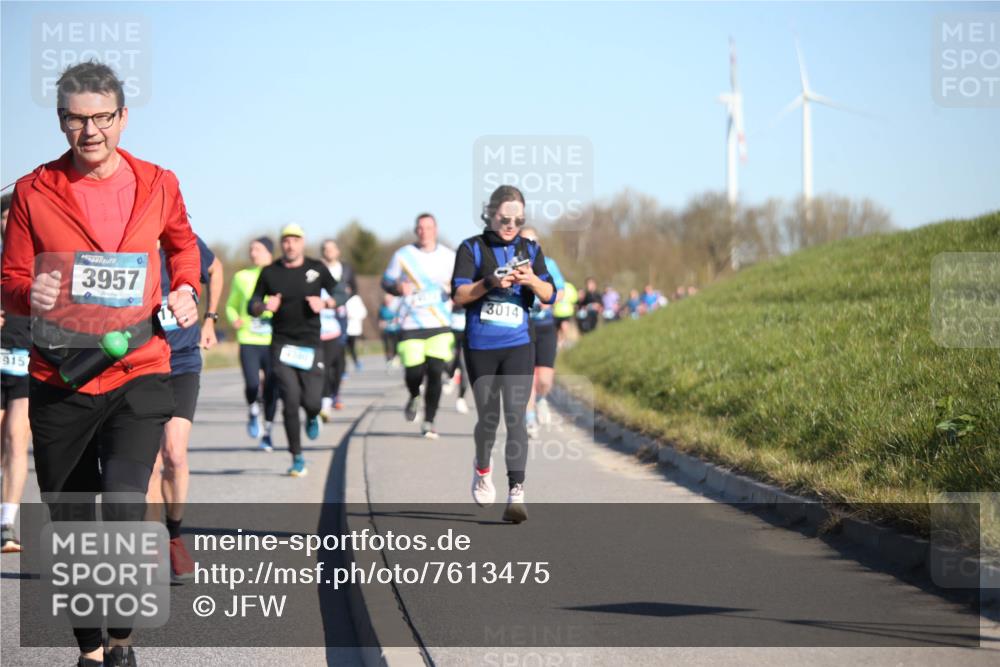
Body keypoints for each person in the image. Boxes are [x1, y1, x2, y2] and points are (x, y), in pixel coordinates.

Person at [0, 61, 201, 667]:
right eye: (76, 119)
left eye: (101, 118)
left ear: (122, 117)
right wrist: (22, 294)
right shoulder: (35, 190)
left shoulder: (159, 182)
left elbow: (183, 245)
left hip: (139, 366)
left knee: (120, 501)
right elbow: (10, 277)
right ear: (61, 121)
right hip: (59, 374)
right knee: (68, 519)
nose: (90, 131)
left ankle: (120, 640)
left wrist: (188, 287)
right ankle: (91, 645)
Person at [452, 186, 555, 523]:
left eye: (517, 219)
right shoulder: (472, 248)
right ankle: (482, 468)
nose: (511, 224)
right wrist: (490, 283)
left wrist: (531, 282)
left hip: (519, 344)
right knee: (489, 419)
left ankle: (517, 492)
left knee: (515, 416)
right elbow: (460, 295)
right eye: (504, 218)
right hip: (481, 345)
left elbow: (550, 293)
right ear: (490, 214)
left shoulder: (530, 248)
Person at [145, 234, 222, 582]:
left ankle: (174, 534)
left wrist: (210, 318)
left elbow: (216, 269)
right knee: (149, 459)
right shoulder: (126, 238)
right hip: (142, 362)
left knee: (174, 453)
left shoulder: (186, 240)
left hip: (182, 362)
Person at [249, 224, 338, 477]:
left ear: (302, 242)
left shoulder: (317, 268)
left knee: (311, 401)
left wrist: (327, 302)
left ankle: (312, 415)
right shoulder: (270, 272)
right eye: (286, 241)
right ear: (282, 244)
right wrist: (264, 305)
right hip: (281, 345)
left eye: (295, 240)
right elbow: (252, 304)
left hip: (311, 343)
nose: (290, 245)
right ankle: (297, 457)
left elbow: (342, 292)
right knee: (289, 400)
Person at [381, 213, 456, 439]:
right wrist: (397, 288)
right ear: (416, 231)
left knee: (435, 372)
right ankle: (414, 395)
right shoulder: (403, 255)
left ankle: (429, 421)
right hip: (411, 323)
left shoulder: (449, 256)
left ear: (436, 229)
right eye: (420, 228)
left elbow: (462, 281)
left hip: (440, 322)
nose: (424, 232)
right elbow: (386, 281)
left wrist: (455, 288)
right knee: (413, 372)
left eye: (428, 227)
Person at [225, 237, 279, 450]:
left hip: (272, 340)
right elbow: (231, 305)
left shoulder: (278, 275)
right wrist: (233, 318)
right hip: (248, 338)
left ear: (269, 252)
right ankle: (253, 409)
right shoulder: (241, 277)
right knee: (252, 384)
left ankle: (268, 432)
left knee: (272, 388)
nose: (252, 253)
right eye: (250, 249)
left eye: (257, 249)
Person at [1, 193, 31, 554]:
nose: (9, 223)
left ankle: (6, 524)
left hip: (27, 357)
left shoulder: (37, 261)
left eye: (14, 217)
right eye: (4, 217)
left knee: (15, 436)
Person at [519, 227, 565, 438]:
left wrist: (548, 302)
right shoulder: (512, 264)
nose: (529, 244)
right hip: (524, 326)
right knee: (527, 376)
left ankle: (541, 398)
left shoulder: (549, 263)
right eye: (525, 240)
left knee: (545, 379)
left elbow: (560, 290)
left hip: (546, 326)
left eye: (533, 240)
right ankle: (529, 418)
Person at [445, 304, 471, 414]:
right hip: (451, 330)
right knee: (449, 361)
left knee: (464, 365)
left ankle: (461, 398)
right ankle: (450, 375)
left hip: (467, 331)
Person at [377, 293, 401, 368]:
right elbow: (379, 319)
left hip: (396, 329)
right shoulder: (382, 308)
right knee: (387, 345)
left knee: (395, 345)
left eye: (389, 300)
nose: (387, 301)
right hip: (386, 330)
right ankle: (388, 360)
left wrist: (396, 320)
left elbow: (402, 317)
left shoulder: (397, 307)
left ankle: (395, 358)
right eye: (386, 300)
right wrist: (381, 323)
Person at [345, 293, 368, 371]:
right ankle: (342, 367)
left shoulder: (356, 299)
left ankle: (356, 362)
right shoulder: (340, 296)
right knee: (341, 348)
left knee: (351, 347)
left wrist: (351, 315)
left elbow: (363, 313)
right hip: (341, 329)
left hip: (352, 329)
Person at [552, 278, 578, 347]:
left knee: (559, 328)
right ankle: (562, 341)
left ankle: (560, 342)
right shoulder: (569, 286)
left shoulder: (554, 285)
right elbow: (575, 298)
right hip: (566, 310)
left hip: (557, 311)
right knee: (563, 327)